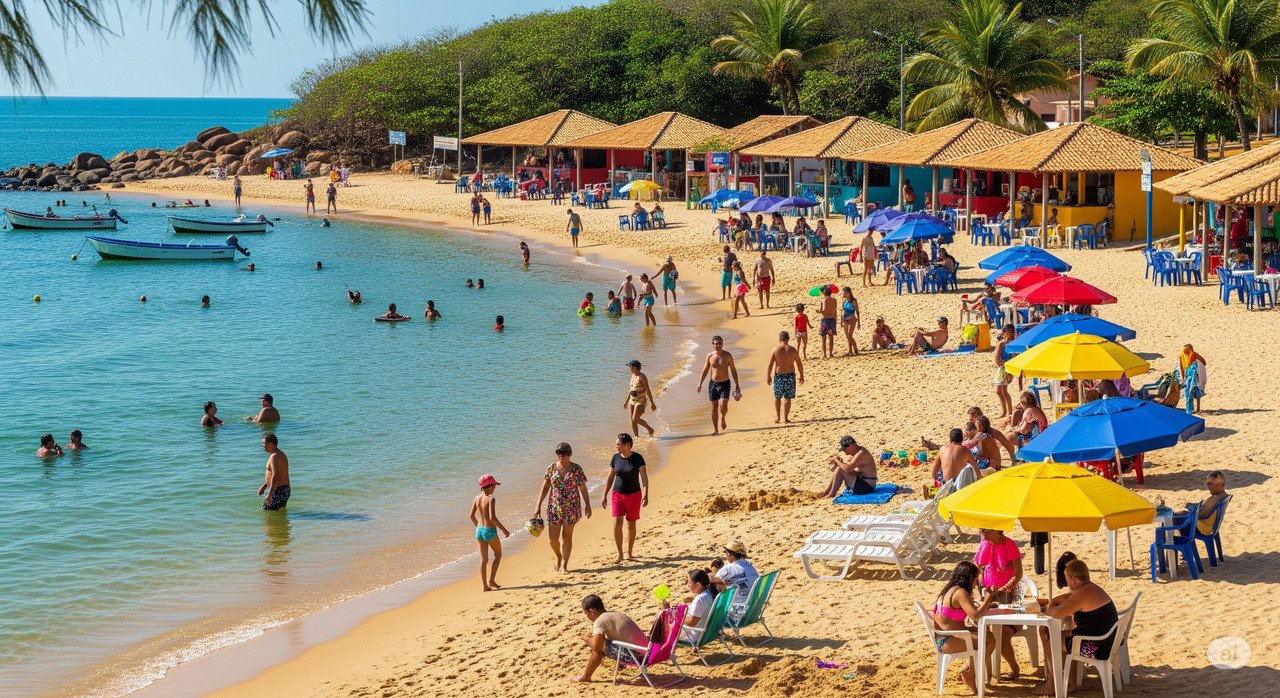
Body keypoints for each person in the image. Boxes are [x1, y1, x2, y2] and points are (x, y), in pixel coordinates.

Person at [1035, 559, 1118, 696]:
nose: (1066, 582)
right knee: (1056, 636)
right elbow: (1066, 599)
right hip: (1106, 640)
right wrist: (1054, 601)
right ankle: (1069, 683)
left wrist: (1041, 609)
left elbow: (1057, 613)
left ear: (1072, 579)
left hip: (1098, 646)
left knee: (1050, 642)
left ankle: (1052, 685)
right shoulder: (1090, 588)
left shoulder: (1082, 593)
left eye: (1067, 579)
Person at [932, 561, 999, 694]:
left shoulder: (950, 590)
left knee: (986, 634)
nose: (976, 583)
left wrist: (985, 605)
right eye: (976, 579)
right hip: (947, 642)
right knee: (990, 640)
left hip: (944, 637)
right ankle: (969, 673)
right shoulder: (960, 593)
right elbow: (975, 616)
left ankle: (967, 669)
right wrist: (988, 597)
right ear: (969, 578)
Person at [533, 443, 591, 573]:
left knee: (567, 538)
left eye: (564, 454)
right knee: (553, 539)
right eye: (558, 453)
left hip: (572, 508)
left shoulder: (576, 469)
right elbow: (545, 487)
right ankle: (559, 556)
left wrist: (587, 504)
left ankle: (565, 565)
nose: (561, 456)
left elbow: (582, 487)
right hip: (554, 508)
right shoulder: (551, 468)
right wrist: (538, 505)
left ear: (569, 454)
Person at [975, 529, 1024, 678]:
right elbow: (977, 568)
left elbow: (1018, 574)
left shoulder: (1010, 545)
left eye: (986, 531)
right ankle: (975, 669)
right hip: (988, 596)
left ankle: (1014, 667)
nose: (983, 534)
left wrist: (1005, 588)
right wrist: (981, 586)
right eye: (982, 531)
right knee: (980, 633)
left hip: (1008, 596)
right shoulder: (985, 544)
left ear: (996, 530)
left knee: (1002, 634)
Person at [573, 595, 649, 683]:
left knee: (599, 647)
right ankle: (620, 665)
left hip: (640, 658)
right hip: (649, 653)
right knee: (604, 641)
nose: (587, 616)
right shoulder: (616, 614)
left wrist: (585, 638)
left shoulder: (600, 620)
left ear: (592, 611)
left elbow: (596, 647)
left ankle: (585, 676)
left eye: (586, 613)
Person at [603, 433, 649, 564]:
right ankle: (620, 554)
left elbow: (644, 478)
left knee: (631, 524)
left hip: (634, 495)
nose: (616, 447)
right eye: (616, 444)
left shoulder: (638, 458)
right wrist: (604, 494)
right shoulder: (615, 458)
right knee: (617, 524)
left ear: (627, 445)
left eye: (619, 445)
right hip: (617, 495)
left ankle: (629, 552)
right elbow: (610, 477)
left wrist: (646, 494)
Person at [469, 474, 510, 591]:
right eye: (494, 486)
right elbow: (492, 517)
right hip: (490, 530)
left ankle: (484, 586)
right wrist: (504, 530)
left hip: (479, 530)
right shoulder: (491, 499)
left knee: (484, 560)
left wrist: (479, 527)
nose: (495, 488)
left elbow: (471, 516)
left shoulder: (477, 498)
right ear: (490, 486)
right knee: (498, 554)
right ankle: (491, 580)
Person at [695, 335, 741, 436]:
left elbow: (733, 370)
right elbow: (705, 370)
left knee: (723, 405)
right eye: (716, 344)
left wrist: (737, 385)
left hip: (725, 383)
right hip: (713, 384)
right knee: (714, 407)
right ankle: (716, 430)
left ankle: (723, 417)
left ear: (722, 344)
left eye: (720, 343)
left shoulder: (727, 355)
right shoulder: (710, 356)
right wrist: (700, 383)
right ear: (713, 344)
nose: (718, 345)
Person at [661, 569, 718, 641]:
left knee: (662, 625)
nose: (688, 585)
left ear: (698, 585)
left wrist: (671, 612)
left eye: (689, 582)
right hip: (706, 632)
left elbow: (691, 623)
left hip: (693, 635)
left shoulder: (700, 600)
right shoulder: (708, 593)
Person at [766, 331, 804, 424]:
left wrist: (768, 376)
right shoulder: (793, 350)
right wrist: (801, 375)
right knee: (788, 397)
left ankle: (778, 417)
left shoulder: (775, 350)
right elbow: (799, 363)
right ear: (788, 339)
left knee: (777, 397)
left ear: (780, 339)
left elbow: (770, 364)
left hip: (779, 376)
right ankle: (786, 418)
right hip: (790, 376)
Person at [711, 540, 758, 606]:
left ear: (730, 555)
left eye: (726, 552)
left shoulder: (729, 568)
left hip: (738, 608)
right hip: (754, 606)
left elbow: (712, 580)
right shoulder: (749, 565)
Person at [1185, 471, 1229, 535]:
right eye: (1207, 484)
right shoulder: (1221, 496)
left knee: (1173, 519)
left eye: (1211, 484)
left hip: (1201, 527)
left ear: (1221, 484)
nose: (1208, 486)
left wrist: (1191, 508)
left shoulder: (1216, 498)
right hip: (1203, 525)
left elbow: (1201, 515)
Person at [624, 360, 657, 437]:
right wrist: (626, 401)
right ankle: (637, 437)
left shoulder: (642, 377)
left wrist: (652, 403)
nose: (629, 368)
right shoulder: (633, 375)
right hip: (632, 399)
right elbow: (631, 389)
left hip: (640, 400)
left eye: (630, 366)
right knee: (632, 420)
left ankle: (650, 429)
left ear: (634, 368)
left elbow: (647, 390)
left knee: (635, 418)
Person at [258, 433, 291, 511]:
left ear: (270, 444)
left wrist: (269, 495)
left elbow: (275, 475)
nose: (262, 445)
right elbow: (273, 474)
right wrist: (264, 486)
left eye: (263, 443)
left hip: (278, 490)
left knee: (268, 512)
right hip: (282, 489)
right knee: (276, 513)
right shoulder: (277, 454)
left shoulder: (275, 456)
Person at [994, 325, 1016, 418]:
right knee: (1000, 391)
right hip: (1005, 367)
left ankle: (1008, 411)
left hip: (1005, 367)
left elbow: (997, 357)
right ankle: (1005, 411)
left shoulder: (1003, 343)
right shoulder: (1007, 343)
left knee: (1002, 391)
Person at [1180, 344, 1207, 413]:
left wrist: (1197, 364)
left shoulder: (1194, 354)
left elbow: (1204, 362)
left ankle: (1198, 408)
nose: (1184, 351)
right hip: (1188, 376)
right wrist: (1183, 378)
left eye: (1186, 349)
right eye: (1184, 350)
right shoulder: (1182, 356)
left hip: (1195, 376)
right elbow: (1182, 367)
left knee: (1197, 391)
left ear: (1190, 349)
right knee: (1188, 392)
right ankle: (1189, 409)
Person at [840, 287, 860, 357]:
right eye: (844, 293)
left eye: (846, 293)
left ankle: (856, 349)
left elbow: (857, 311)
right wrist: (841, 321)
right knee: (847, 337)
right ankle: (850, 351)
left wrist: (859, 322)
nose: (844, 294)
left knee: (849, 336)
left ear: (849, 293)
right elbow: (843, 311)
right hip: (845, 319)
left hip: (852, 319)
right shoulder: (844, 302)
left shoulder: (853, 301)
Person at [818, 285, 838, 359]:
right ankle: (831, 353)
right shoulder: (834, 300)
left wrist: (818, 311)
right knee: (831, 337)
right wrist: (835, 320)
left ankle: (824, 354)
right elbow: (835, 311)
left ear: (824, 293)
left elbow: (822, 310)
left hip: (825, 320)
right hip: (832, 320)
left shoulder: (823, 300)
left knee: (823, 338)